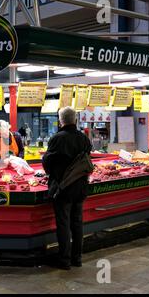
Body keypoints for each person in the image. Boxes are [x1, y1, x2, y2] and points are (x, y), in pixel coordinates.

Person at [42, 106, 92, 270]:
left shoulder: (57, 138)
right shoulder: (84, 138)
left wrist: (53, 173)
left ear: (61, 120)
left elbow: (47, 163)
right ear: (75, 120)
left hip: (64, 188)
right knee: (77, 223)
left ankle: (64, 260)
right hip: (81, 187)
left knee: (63, 224)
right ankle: (77, 258)